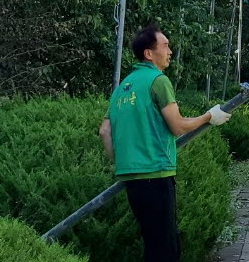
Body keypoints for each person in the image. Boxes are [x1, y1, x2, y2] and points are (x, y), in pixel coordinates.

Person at [98, 24, 231, 262]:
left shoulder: (123, 87)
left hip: (132, 178)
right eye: (165, 45)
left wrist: (123, 161)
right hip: (156, 174)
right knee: (166, 249)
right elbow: (177, 126)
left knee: (154, 242)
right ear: (149, 53)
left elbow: (104, 131)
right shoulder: (158, 80)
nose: (170, 51)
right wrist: (209, 116)